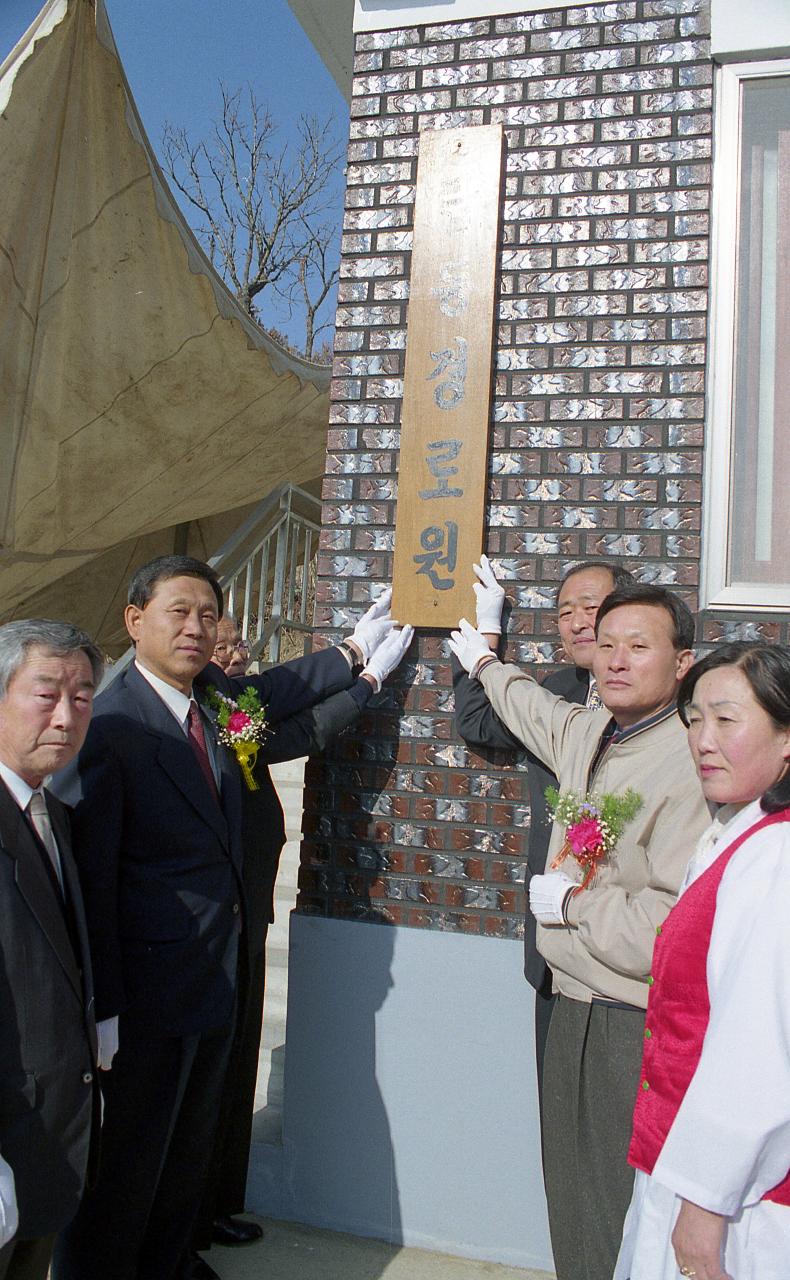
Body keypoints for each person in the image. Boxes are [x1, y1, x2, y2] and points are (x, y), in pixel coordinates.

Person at [51, 556, 412, 1280]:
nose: (194, 628)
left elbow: (274, 690)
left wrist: (353, 652)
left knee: (189, 1143)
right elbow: (94, 883)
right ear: (134, 620)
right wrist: (106, 1007)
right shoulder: (114, 722)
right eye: (177, 612)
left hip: (215, 968)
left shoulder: (209, 695)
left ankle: (174, 1261)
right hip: (149, 988)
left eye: (207, 615)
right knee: (131, 1158)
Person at [449, 583, 710, 1280]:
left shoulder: (692, 765)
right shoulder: (595, 731)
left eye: (639, 646)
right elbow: (534, 709)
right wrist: (481, 659)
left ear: (682, 662)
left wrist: (574, 908)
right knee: (573, 1205)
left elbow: (675, 929)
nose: (615, 660)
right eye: (606, 643)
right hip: (572, 1005)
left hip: (632, 1021)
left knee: (619, 1219)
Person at [615, 642, 790, 1280]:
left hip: (737, 1194)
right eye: (694, 721)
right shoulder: (734, 833)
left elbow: (759, 1047)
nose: (703, 740)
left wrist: (708, 1201)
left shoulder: (777, 858)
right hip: (684, 1159)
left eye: (727, 719)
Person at [453, 557, 633, 1106]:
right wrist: (488, 631)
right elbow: (480, 723)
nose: (579, 622)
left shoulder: (668, 710)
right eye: (565, 612)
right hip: (554, 946)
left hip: (629, 961)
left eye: (592, 608)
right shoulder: (555, 691)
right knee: (559, 1121)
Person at [0, 620, 104, 1280]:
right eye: (46, 694)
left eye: (83, 695)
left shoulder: (54, 814)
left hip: (44, 1135)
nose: (65, 717)